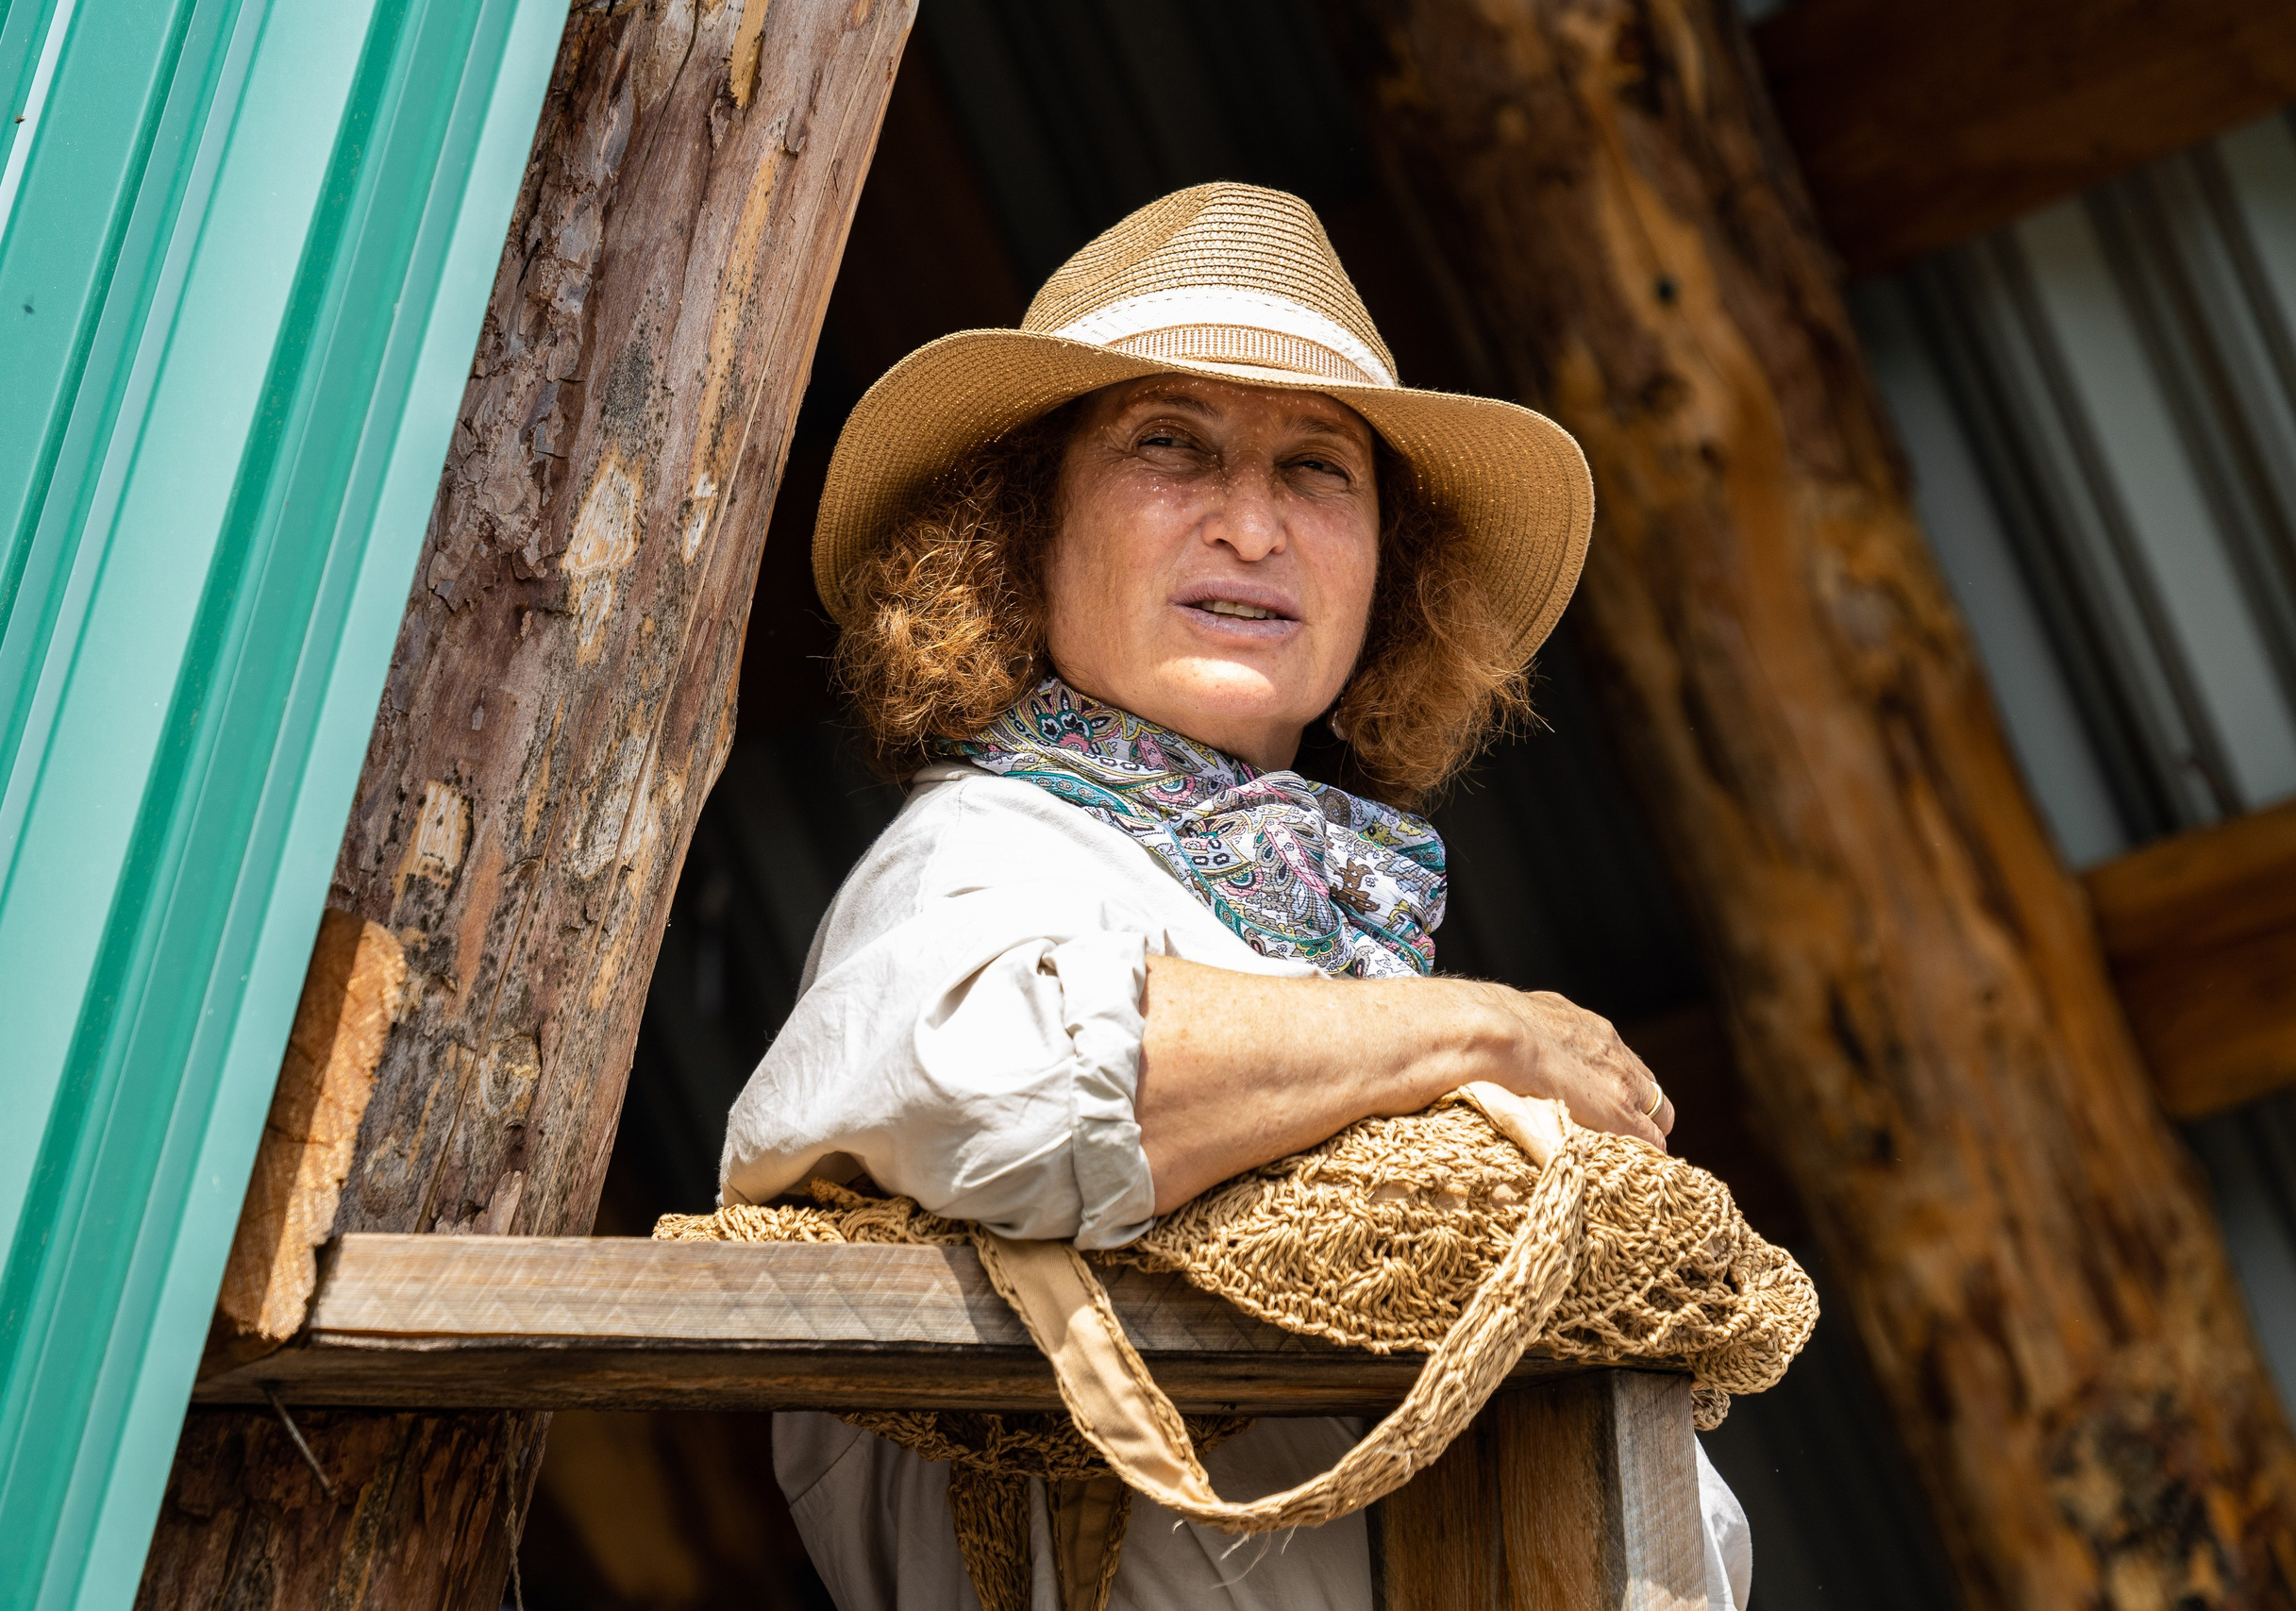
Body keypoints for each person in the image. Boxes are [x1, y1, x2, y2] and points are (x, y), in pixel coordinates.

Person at [720, 182, 1751, 1611]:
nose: (1253, 527)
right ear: (1020, 527)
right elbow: (1006, 1087)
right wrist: (1485, 1034)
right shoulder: (978, 854)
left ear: (1391, 573)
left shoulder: (1341, 935)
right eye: (1171, 446)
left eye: (1318, 469)